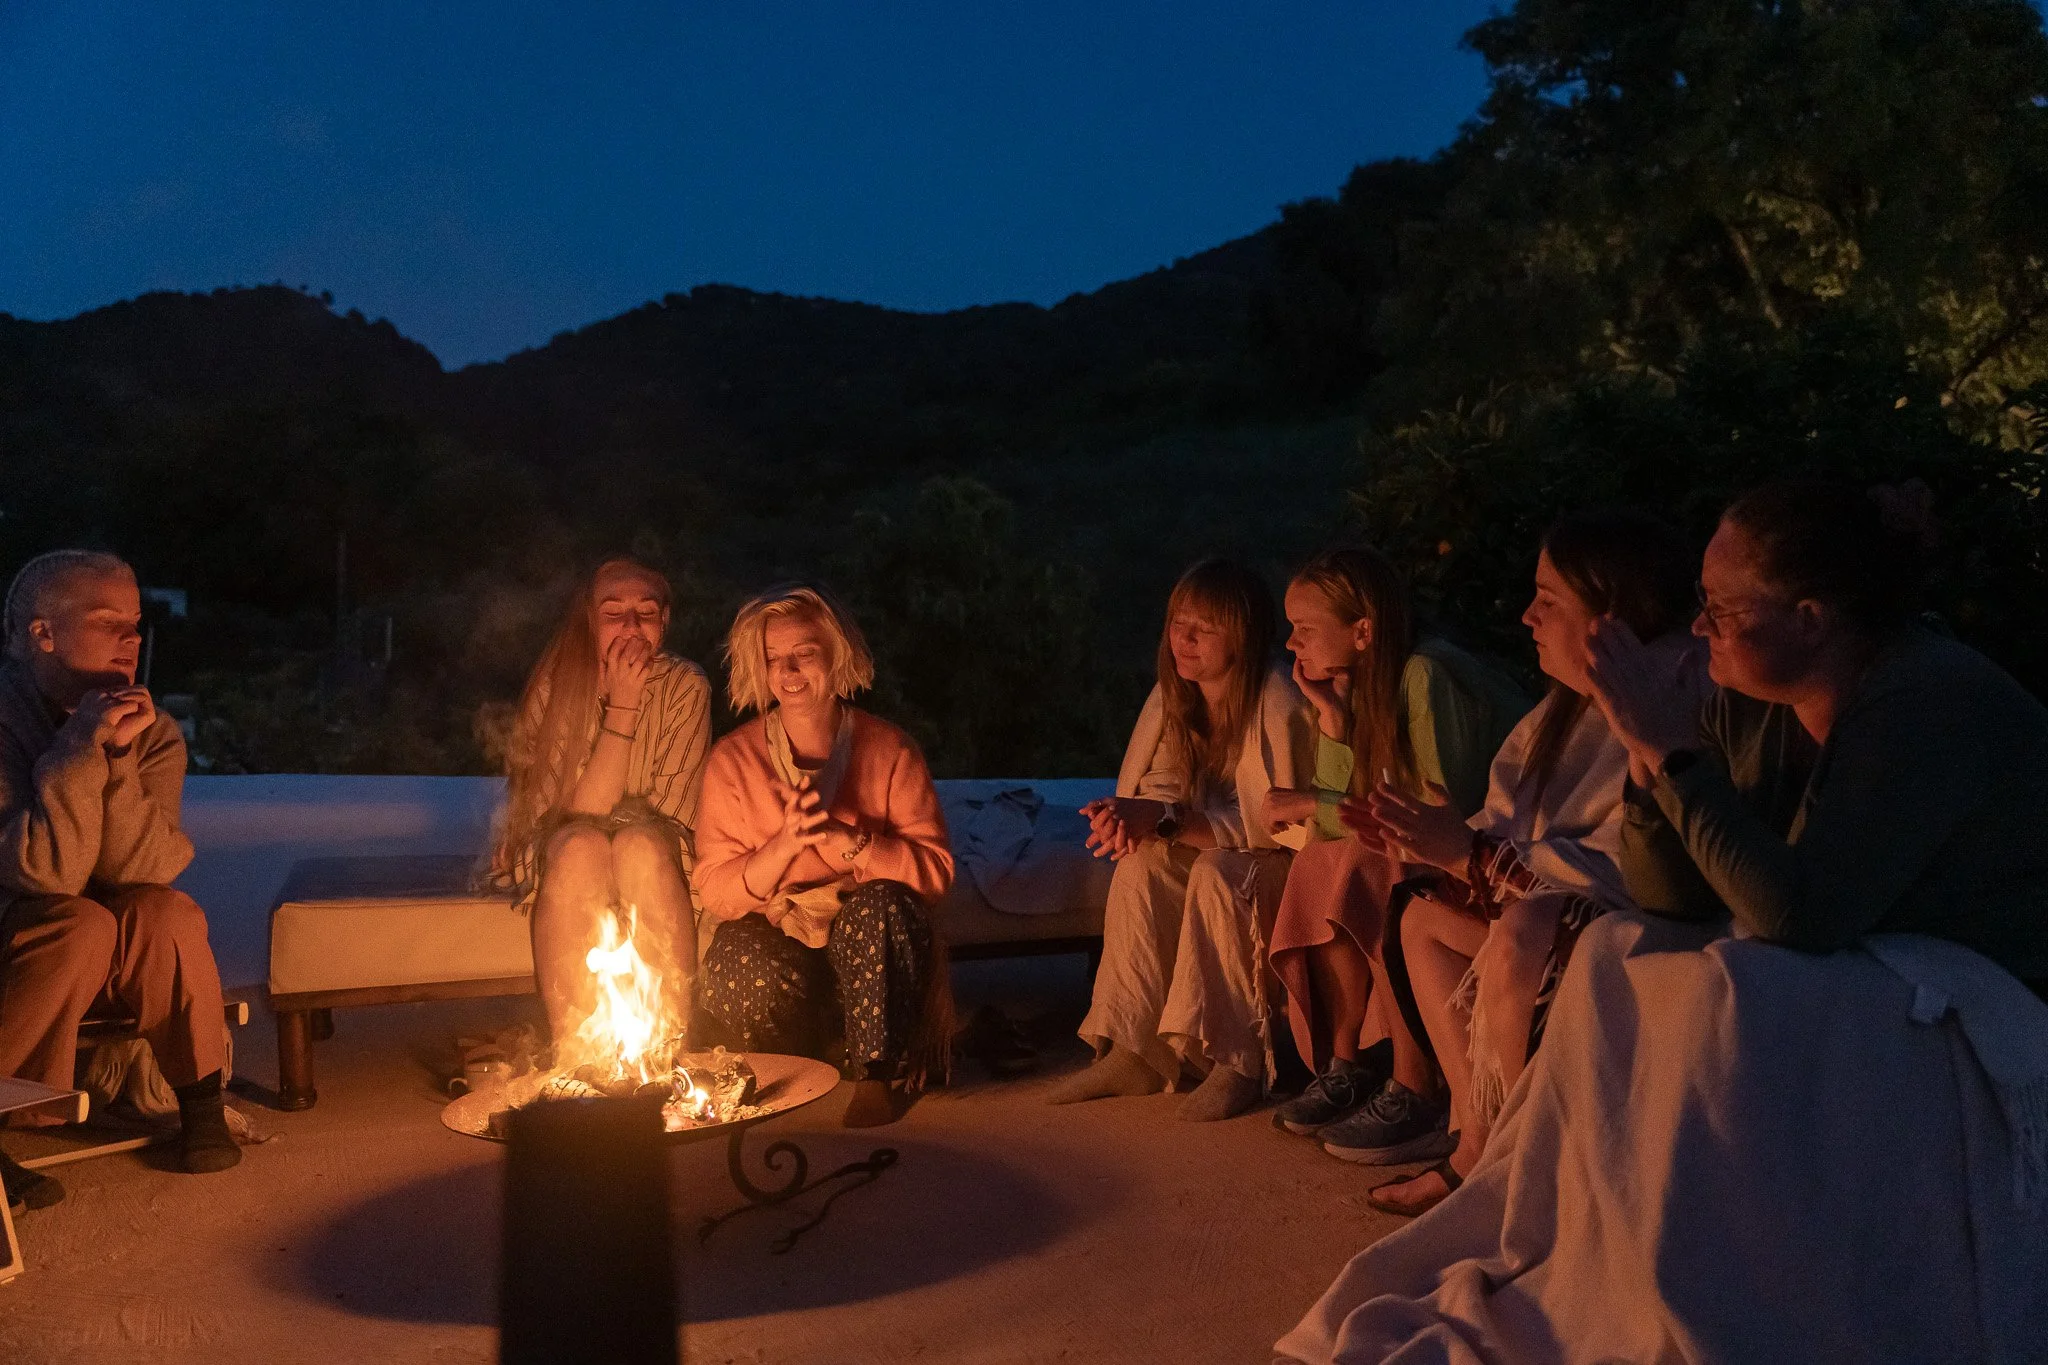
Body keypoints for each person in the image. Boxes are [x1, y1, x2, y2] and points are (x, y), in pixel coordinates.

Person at [1278, 481, 2048, 1363]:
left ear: (1810, 616)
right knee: (1619, 951)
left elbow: (1804, 911)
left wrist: (1672, 754)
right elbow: (1671, 894)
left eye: (1722, 608)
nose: (1702, 624)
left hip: (1988, 995)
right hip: (1877, 959)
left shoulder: (1922, 703)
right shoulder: (1751, 695)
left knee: (1729, 989)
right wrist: (1650, 754)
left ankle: (1720, 1273)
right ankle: (1617, 1248)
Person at [1340, 510, 1699, 1216]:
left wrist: (1469, 853)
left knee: (1523, 926)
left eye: (1549, 599)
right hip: (1551, 918)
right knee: (1419, 915)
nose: (1528, 614)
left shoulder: (1675, 696)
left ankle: (1513, 1164)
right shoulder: (1559, 713)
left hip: (1631, 941)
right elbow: (1503, 823)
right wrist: (1430, 844)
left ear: (1613, 614)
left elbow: (1626, 875)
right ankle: (1476, 1141)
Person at [1263, 548, 1528, 1145]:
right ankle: (1347, 1062)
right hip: (1450, 846)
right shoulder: (1370, 682)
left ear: (1363, 631)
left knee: (1375, 864)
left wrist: (1308, 802)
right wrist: (1332, 719)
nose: (1291, 645)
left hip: (1499, 855)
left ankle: (1413, 1085)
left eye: (1304, 629)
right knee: (1323, 859)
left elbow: (1439, 814)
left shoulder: (1424, 675)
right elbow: (1343, 820)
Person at [0, 550, 239, 1211]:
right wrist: (78, 749)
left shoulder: (151, 732)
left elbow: (142, 867)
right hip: (18, 937)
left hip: (94, 939)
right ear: (41, 633)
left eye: (137, 623)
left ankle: (201, 1105)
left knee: (167, 912)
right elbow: (43, 873)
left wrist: (119, 758)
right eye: (111, 622)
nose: (133, 640)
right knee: (80, 924)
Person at [1047, 558, 1317, 1121]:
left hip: (1290, 865)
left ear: (1241, 636)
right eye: (1178, 623)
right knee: (1144, 864)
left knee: (1220, 872)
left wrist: (1160, 817)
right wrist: (1130, 817)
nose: (1185, 640)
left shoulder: (1277, 699)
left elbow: (1275, 825)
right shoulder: (1176, 696)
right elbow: (1161, 791)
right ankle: (1135, 1047)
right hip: (1226, 847)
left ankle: (1237, 1059)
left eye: (1205, 628)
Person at [691, 584, 953, 1129]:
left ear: (835, 655)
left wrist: (848, 841)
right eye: (772, 659)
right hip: (783, 942)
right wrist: (786, 843)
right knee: (737, 953)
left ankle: (874, 1074)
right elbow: (714, 889)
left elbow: (934, 874)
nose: (788, 669)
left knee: (882, 907)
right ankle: (793, 1061)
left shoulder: (890, 750)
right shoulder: (733, 760)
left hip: (867, 953)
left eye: (803, 653)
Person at [490, 558, 711, 1058]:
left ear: (664, 622)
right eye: (614, 613)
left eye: (645, 612)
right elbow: (566, 823)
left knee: (640, 847)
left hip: (650, 852)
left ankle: (666, 1052)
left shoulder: (685, 688)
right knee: (581, 849)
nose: (631, 626)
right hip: (564, 852)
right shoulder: (556, 687)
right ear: (590, 620)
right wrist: (625, 709)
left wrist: (618, 820)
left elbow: (671, 820)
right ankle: (577, 1056)